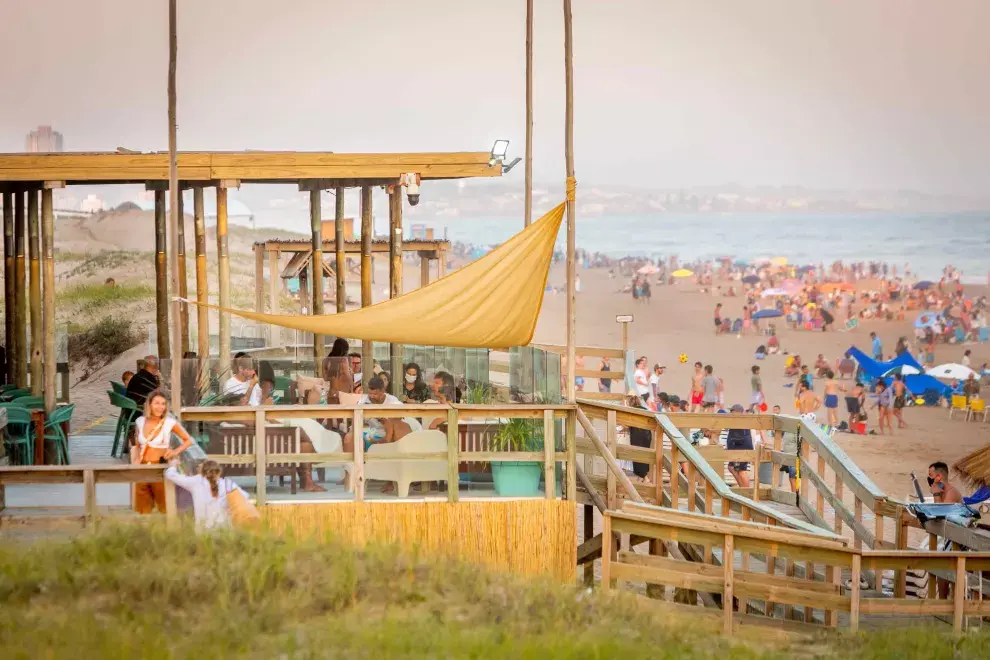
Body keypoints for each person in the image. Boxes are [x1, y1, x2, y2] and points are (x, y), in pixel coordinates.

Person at [133, 389, 195, 514]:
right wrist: (135, 461)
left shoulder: (169, 423)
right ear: (149, 404)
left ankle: (166, 531)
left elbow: (188, 440)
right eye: (157, 403)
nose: (160, 407)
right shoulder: (140, 421)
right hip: (142, 467)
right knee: (143, 507)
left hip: (160, 467)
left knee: (164, 506)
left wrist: (174, 452)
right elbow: (138, 444)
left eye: (163, 404)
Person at [164, 459, 250, 531]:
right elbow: (244, 497)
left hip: (202, 531)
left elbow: (171, 475)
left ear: (202, 471)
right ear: (219, 472)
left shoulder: (195, 482)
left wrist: (173, 465)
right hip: (224, 529)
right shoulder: (228, 484)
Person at [625, 392, 654, 482]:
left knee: (637, 455)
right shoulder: (645, 410)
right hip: (647, 436)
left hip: (637, 436)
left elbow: (628, 424)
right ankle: (643, 476)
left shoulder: (632, 411)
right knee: (645, 456)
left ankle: (644, 477)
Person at [725, 404, 753, 488]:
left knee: (742, 471)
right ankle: (743, 488)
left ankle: (747, 491)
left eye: (732, 411)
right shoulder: (737, 419)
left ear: (737, 412)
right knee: (732, 468)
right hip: (737, 448)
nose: (731, 413)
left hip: (741, 448)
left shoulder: (740, 419)